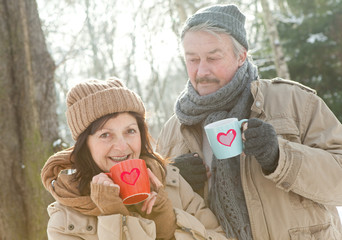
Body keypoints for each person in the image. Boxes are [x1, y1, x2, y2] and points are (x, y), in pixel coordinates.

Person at [156, 4, 342, 240]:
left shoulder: (292, 101)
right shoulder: (174, 129)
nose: (201, 70)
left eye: (213, 57)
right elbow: (156, 215)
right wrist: (174, 183)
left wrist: (279, 157)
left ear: (241, 56)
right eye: (192, 59)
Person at [41, 78, 229, 240]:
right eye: (105, 135)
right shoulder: (64, 221)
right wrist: (114, 215)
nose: (122, 146)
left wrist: (166, 220)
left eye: (130, 131)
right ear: (85, 146)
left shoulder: (172, 183)